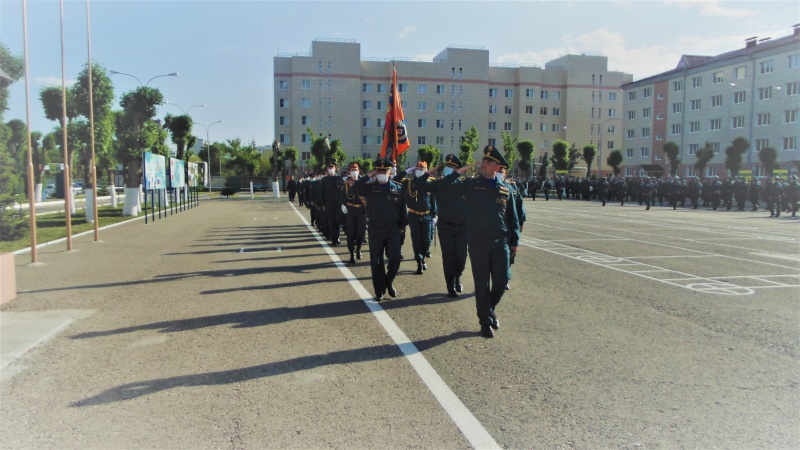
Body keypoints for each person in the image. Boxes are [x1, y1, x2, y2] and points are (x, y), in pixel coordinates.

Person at [438, 146, 520, 338]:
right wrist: (458, 172)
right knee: (481, 283)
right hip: (478, 242)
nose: (484, 164)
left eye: (488, 162)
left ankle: (489, 309)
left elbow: (512, 217)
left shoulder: (505, 189)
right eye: (483, 160)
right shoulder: (471, 185)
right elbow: (443, 187)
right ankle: (484, 321)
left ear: (497, 167)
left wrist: (515, 241)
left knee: (503, 279)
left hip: (500, 242)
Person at [349, 158, 408, 301]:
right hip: (375, 228)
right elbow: (354, 189)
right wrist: (369, 174)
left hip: (393, 229)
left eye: (384, 171)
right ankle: (379, 290)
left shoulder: (397, 188)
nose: (382, 173)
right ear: (376, 171)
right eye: (379, 170)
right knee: (376, 261)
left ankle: (389, 281)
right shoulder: (369, 187)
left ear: (389, 172)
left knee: (395, 258)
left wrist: (402, 228)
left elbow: (402, 210)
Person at [416, 154, 469, 297]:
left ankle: (458, 276)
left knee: (462, 257)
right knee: (448, 257)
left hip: (463, 227)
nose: (448, 169)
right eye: (447, 166)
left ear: (458, 170)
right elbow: (418, 185)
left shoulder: (464, 184)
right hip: (446, 227)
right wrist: (428, 172)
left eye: (452, 167)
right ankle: (450, 285)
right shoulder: (438, 184)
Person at [402, 160, 437, 275]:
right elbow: (396, 182)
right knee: (416, 240)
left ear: (426, 171)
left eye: (422, 169)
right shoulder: (408, 183)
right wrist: (405, 172)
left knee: (426, 240)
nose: (419, 171)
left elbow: (433, 200)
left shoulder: (430, 183)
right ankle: (419, 262)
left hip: (427, 216)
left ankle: (424, 254)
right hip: (413, 216)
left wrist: (434, 214)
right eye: (417, 169)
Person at [340, 162, 367, 264]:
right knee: (350, 233)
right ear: (349, 172)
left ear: (359, 171)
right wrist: (342, 204)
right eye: (352, 170)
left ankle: (358, 248)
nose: (354, 172)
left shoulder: (363, 182)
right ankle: (351, 254)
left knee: (361, 233)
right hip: (350, 211)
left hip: (361, 211)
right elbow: (342, 196)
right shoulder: (346, 183)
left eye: (356, 170)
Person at [321, 162, 344, 245]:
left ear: (335, 169)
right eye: (329, 167)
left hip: (338, 204)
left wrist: (342, 203)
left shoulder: (339, 179)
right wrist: (323, 204)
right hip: (328, 203)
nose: (331, 169)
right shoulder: (324, 180)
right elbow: (322, 192)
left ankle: (337, 237)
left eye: (332, 167)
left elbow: (342, 192)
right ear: (327, 169)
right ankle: (333, 238)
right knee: (330, 221)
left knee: (337, 221)